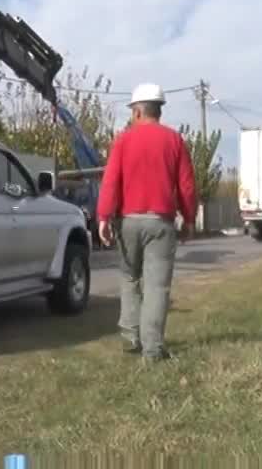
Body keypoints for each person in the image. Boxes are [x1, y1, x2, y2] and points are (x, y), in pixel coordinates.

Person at [96, 82, 197, 362]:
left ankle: (130, 335)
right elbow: (186, 186)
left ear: (138, 111)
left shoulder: (123, 140)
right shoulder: (174, 140)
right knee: (156, 287)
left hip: (128, 222)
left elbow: (111, 182)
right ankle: (152, 350)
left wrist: (104, 217)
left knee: (129, 277)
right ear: (159, 110)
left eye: (132, 111)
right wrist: (189, 219)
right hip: (161, 224)